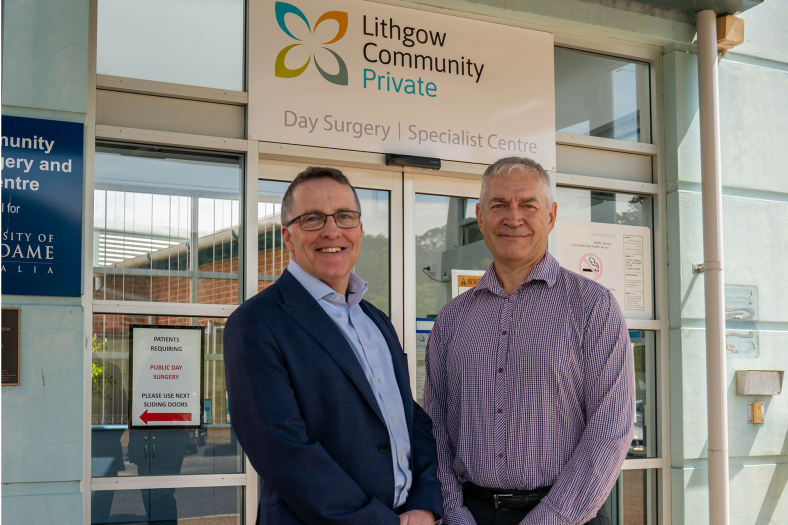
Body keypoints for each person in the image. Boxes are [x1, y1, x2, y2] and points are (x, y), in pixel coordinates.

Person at [224, 167, 443, 525]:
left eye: (344, 216)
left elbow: (410, 417)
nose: (332, 230)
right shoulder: (256, 323)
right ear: (288, 237)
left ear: (359, 229)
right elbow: (283, 451)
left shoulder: (375, 320)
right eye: (312, 218)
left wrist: (425, 504)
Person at [424, 157, 635, 525]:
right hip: (470, 517)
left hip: (567, 517)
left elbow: (610, 430)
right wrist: (454, 513)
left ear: (551, 217)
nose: (513, 218)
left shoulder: (593, 308)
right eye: (499, 205)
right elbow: (435, 427)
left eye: (528, 205)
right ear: (480, 215)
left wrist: (549, 520)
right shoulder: (452, 318)